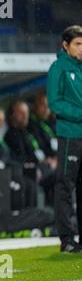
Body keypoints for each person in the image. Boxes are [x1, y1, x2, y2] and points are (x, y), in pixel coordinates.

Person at [47, 25, 82, 253]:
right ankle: (67, 239)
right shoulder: (58, 67)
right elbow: (55, 102)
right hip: (70, 135)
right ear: (65, 45)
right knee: (65, 187)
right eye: (78, 44)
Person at [28, 93, 58, 208]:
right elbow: (39, 148)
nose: (47, 109)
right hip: (40, 165)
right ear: (36, 106)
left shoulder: (50, 123)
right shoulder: (32, 125)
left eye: (48, 106)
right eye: (43, 106)